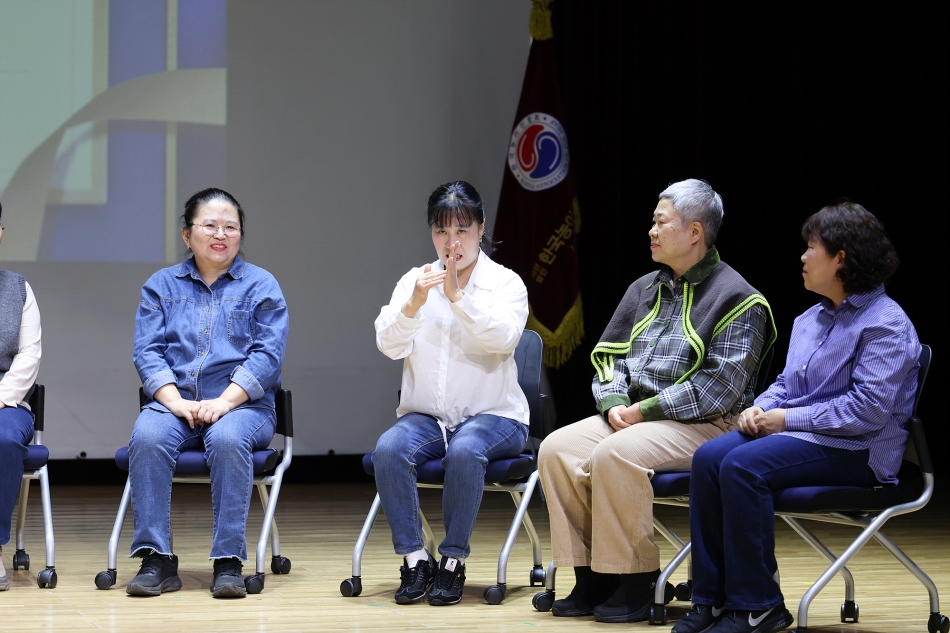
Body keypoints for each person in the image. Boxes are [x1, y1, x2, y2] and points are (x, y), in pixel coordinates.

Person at [673, 202, 920, 633]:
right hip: (810, 438)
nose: (803, 257)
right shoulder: (811, 318)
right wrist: (762, 407)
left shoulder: (887, 324)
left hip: (860, 451)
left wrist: (785, 420)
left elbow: (865, 412)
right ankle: (711, 599)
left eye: (811, 248)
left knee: (742, 466)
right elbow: (788, 385)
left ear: (841, 258)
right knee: (709, 458)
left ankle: (759, 606)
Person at [538, 179, 776, 623]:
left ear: (694, 233)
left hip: (709, 423)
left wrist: (643, 411)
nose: (651, 230)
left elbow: (717, 389)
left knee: (616, 453)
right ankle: (594, 577)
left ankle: (637, 581)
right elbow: (611, 356)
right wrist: (612, 401)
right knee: (556, 449)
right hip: (634, 416)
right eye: (653, 220)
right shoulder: (644, 288)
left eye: (660, 221)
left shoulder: (740, 299)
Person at [126, 188, 289, 599]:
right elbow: (147, 351)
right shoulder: (160, 286)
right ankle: (156, 559)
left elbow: (267, 356)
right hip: (174, 402)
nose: (221, 234)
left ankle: (228, 561)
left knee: (228, 436)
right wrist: (176, 402)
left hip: (244, 406)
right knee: (147, 436)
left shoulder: (262, 285)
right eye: (210, 225)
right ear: (186, 234)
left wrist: (225, 401)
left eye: (230, 227)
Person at [372, 181, 530, 606]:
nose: (452, 241)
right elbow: (388, 345)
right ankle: (413, 558)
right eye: (442, 231)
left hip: (495, 415)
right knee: (388, 450)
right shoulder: (414, 280)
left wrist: (458, 298)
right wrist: (413, 305)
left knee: (466, 450)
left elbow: (503, 339)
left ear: (481, 228)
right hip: (428, 417)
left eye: (462, 229)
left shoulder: (505, 284)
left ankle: (452, 562)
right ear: (431, 234)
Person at [0, 201, 42, 592]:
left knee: (3, 439)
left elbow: (29, 354)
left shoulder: (17, 288)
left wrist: (1, 395)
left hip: (5, 400)